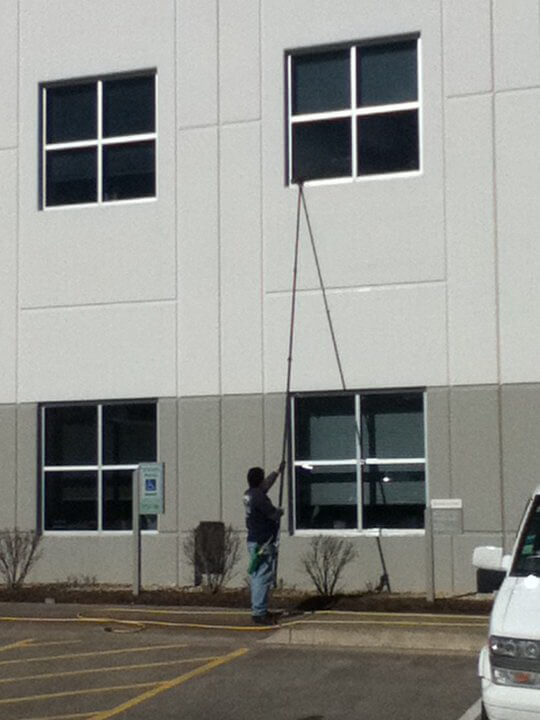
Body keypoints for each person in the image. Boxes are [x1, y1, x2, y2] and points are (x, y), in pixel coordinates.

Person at [243, 460, 286, 625]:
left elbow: (266, 486)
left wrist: (277, 472)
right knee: (262, 576)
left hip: (254, 539)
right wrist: (280, 512)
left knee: (257, 576)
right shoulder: (259, 498)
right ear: (259, 480)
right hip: (263, 541)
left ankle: (258, 608)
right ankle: (259, 612)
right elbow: (272, 514)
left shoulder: (250, 494)